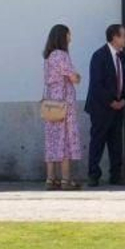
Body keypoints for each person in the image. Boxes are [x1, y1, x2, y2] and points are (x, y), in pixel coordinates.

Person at [84, 23, 125, 188]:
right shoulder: (99, 56)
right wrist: (111, 101)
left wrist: (124, 99)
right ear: (114, 37)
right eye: (123, 35)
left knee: (116, 142)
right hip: (101, 108)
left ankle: (116, 175)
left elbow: (124, 80)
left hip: (118, 107)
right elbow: (97, 84)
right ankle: (93, 175)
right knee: (98, 141)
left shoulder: (122, 56)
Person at [41, 23, 83, 190]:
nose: (70, 38)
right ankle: (66, 179)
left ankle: (50, 179)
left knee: (52, 140)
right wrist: (77, 76)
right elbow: (74, 77)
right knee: (65, 139)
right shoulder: (61, 55)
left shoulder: (49, 56)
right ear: (62, 36)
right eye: (68, 35)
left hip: (51, 102)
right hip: (64, 103)